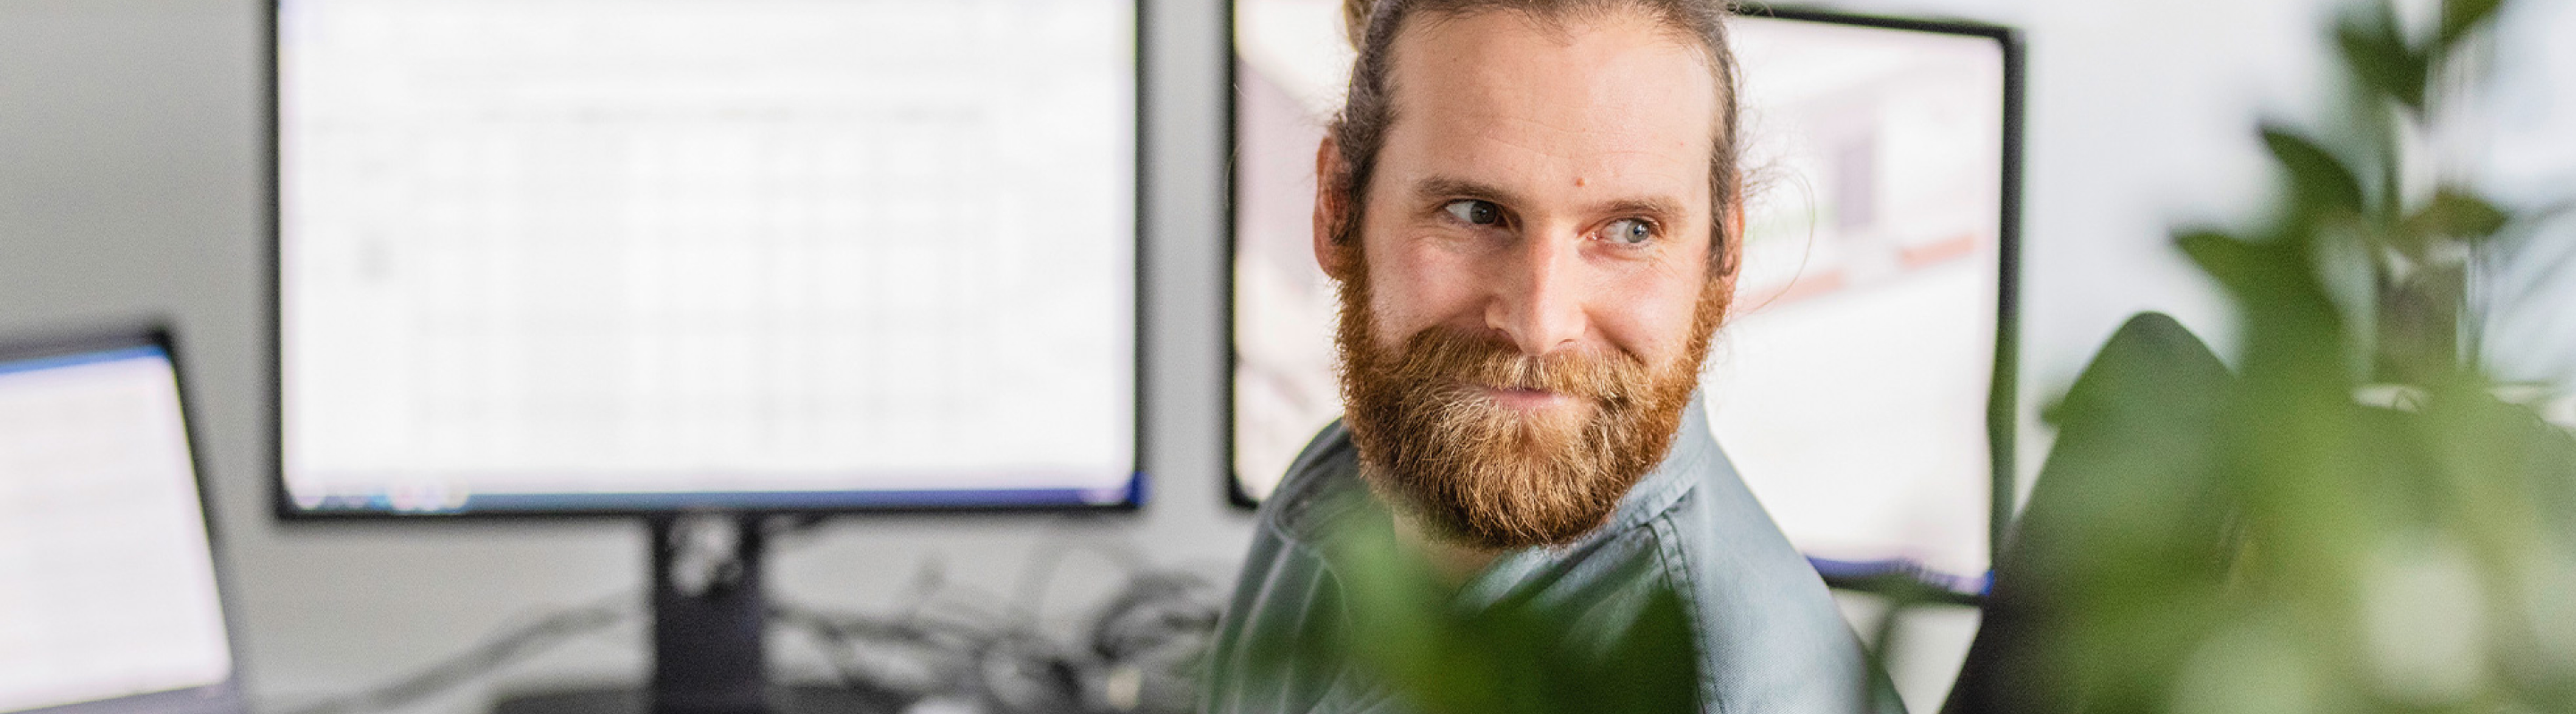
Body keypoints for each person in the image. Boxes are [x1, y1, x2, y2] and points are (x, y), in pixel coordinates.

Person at [1201, 0, 1898, 711]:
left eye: (1630, 230)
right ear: (1336, 206)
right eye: (1473, 212)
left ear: (1724, 255)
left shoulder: (1714, 693)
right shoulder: (1347, 473)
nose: (1539, 322)